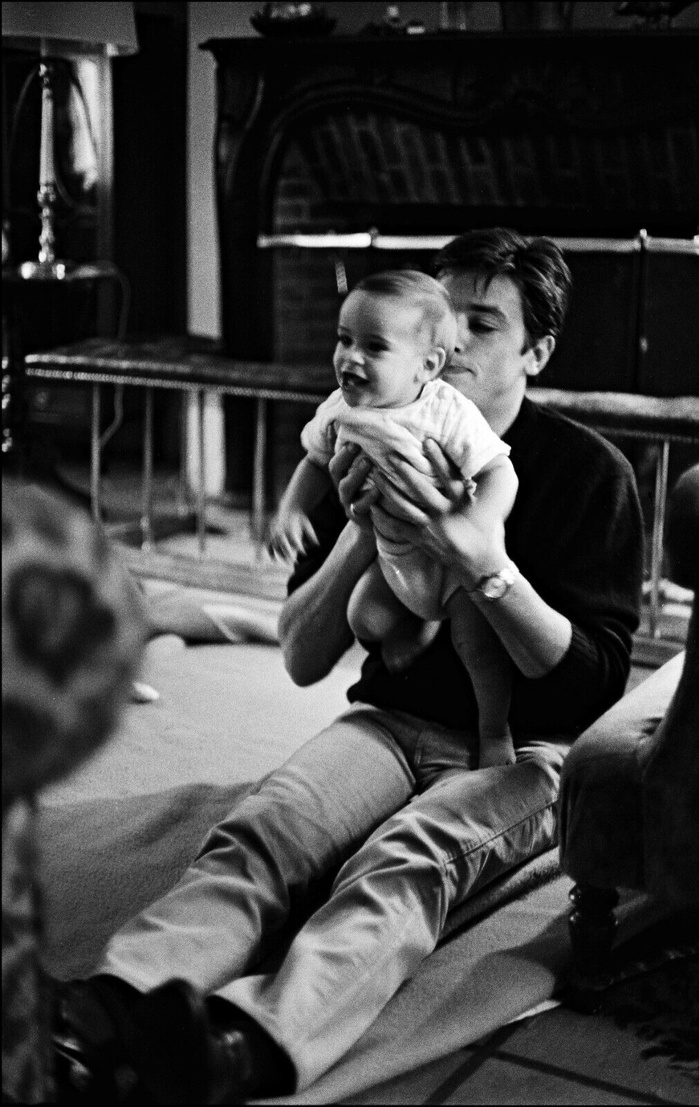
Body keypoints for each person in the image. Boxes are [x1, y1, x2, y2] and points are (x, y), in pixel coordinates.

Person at [53, 228, 644, 1105]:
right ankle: (110, 1006)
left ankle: (239, 1044)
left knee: (404, 860)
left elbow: (595, 687)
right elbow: (302, 657)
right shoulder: (366, 429)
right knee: (267, 829)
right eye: (440, 316)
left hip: (524, 748)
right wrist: (359, 531)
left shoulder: (590, 473)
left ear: (537, 352)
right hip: (390, 720)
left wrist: (484, 562)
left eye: (482, 324)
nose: (452, 342)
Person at [270, 269, 519, 766]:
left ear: (428, 366)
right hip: (391, 559)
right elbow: (315, 462)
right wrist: (292, 509)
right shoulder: (339, 408)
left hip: (453, 565)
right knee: (363, 615)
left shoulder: (445, 411)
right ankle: (416, 627)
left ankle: (494, 730)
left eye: (374, 347)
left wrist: (476, 531)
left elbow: (500, 472)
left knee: (479, 648)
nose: (350, 358)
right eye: (344, 339)